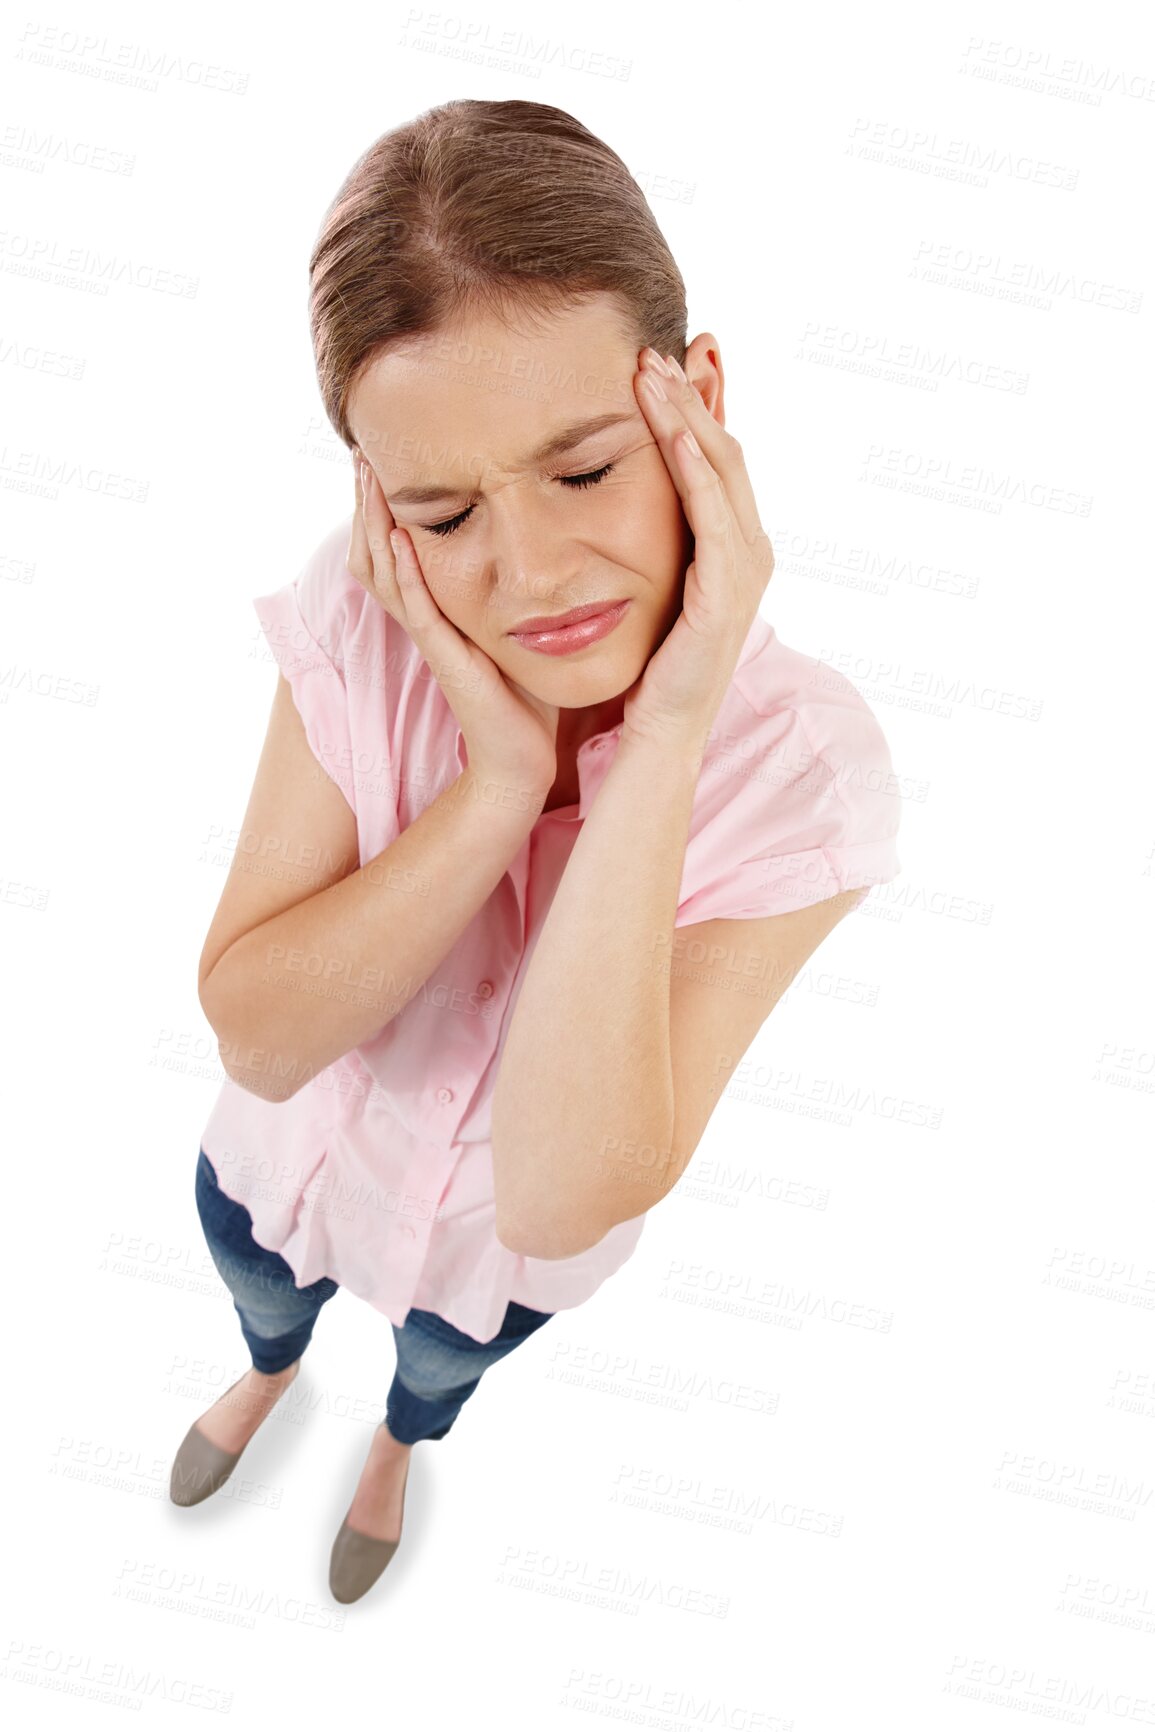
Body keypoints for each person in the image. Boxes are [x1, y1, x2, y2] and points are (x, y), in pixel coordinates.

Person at [171, 97, 903, 1606]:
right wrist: (495, 786)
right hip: (288, 1176)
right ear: (380, 506)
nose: (532, 572)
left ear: (694, 401)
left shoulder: (808, 777)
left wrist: (669, 730)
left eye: (584, 472)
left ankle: (393, 1445)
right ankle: (264, 1372)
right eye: (442, 509)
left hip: (483, 1271)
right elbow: (256, 1036)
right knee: (256, 1286)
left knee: (439, 1367)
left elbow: (566, 1199)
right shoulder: (367, 613)